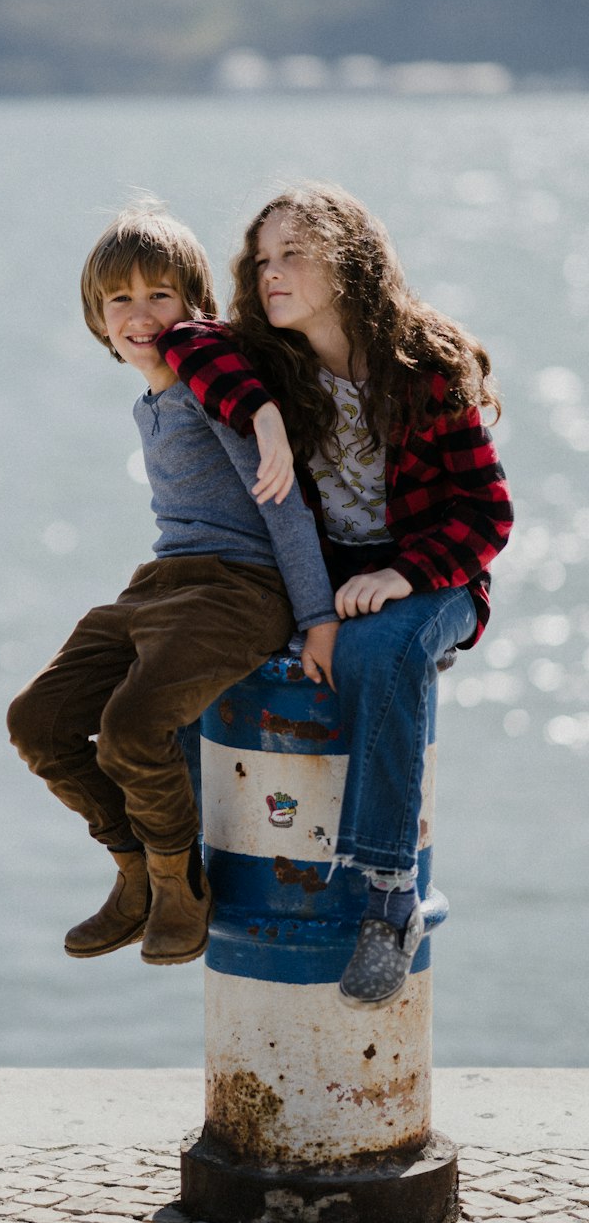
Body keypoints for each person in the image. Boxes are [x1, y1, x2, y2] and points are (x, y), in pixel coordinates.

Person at [156, 184, 513, 1006]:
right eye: (262, 259)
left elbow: (489, 515)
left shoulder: (426, 365)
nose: (271, 273)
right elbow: (180, 337)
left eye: (295, 255)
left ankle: (390, 898)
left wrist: (406, 576)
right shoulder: (265, 355)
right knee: (183, 639)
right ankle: (179, 874)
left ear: (347, 265)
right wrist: (265, 417)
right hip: (319, 576)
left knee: (381, 650)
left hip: (436, 574)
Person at [7, 203, 338, 967]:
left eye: (161, 294)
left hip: (241, 589)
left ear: (196, 308)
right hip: (162, 583)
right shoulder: (147, 401)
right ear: (98, 320)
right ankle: (132, 872)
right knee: (39, 719)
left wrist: (316, 616)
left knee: (132, 727)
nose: (141, 314)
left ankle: (177, 880)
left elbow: (281, 499)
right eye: (119, 299)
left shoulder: (213, 383)